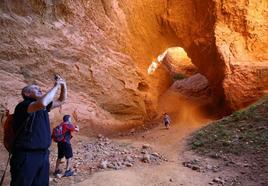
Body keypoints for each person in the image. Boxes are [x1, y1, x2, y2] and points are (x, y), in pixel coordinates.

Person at [10, 75, 67, 186]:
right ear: (26, 94)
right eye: (36, 89)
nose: (40, 90)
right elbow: (42, 102)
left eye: (40, 88)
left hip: (43, 155)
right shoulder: (23, 105)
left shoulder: (44, 107)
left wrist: (63, 85)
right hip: (26, 155)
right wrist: (56, 86)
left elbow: (61, 100)